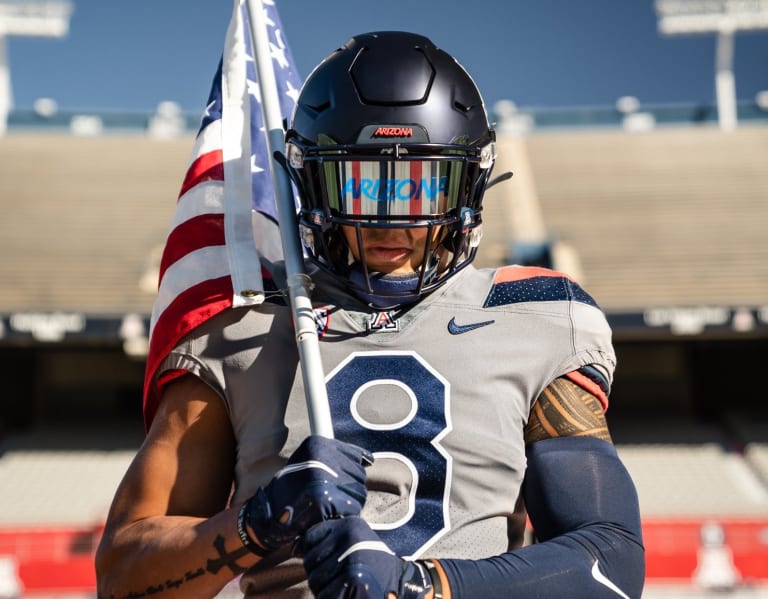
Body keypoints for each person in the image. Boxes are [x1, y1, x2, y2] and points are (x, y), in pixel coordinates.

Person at [95, 31, 645, 598]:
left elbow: (609, 563)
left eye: (419, 186)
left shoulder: (532, 316)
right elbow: (120, 580)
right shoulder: (241, 330)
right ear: (310, 182)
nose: (388, 221)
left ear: (468, 185)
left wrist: (420, 587)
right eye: (359, 183)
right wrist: (253, 524)